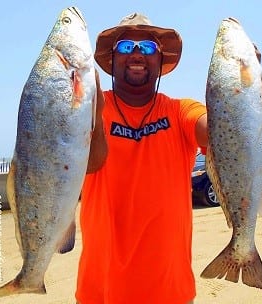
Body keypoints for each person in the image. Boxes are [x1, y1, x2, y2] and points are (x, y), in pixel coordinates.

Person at [76, 12, 208, 304]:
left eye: (147, 47)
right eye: (126, 47)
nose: (136, 53)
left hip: (171, 293)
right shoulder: (86, 109)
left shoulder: (181, 111)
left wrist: (239, 91)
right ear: (111, 59)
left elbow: (217, 132)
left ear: (160, 60)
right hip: (99, 293)